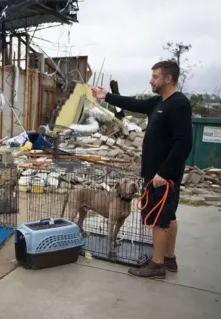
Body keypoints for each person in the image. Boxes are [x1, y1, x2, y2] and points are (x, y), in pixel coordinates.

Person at [91, 60, 193, 279]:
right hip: (156, 174)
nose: (151, 80)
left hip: (162, 177)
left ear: (168, 78)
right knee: (169, 216)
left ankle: (157, 265)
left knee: (158, 219)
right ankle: (169, 258)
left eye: (155, 76)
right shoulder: (158, 102)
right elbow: (133, 103)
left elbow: (184, 143)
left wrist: (163, 174)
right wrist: (106, 96)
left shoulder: (179, 104)